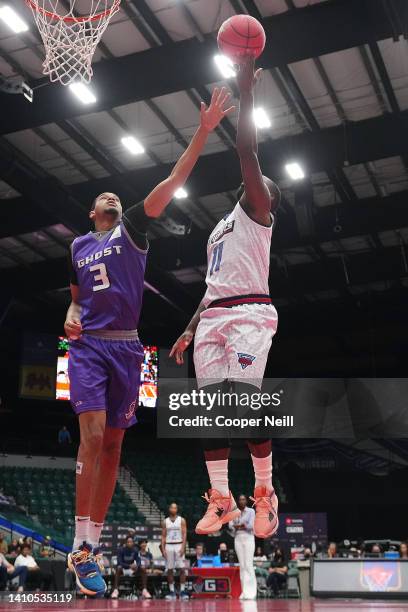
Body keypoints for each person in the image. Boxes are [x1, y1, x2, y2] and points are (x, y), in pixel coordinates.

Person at [64, 88, 234, 597]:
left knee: (115, 447)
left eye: (117, 196)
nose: (113, 198)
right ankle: (78, 544)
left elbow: (173, 180)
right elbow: (74, 300)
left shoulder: (133, 228)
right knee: (92, 438)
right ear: (92, 212)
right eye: (104, 197)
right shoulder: (76, 246)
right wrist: (72, 314)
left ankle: (89, 547)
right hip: (90, 346)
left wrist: (203, 130)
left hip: (128, 348)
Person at [170, 56, 280, 539]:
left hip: (250, 314)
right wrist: (191, 326)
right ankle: (221, 501)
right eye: (259, 187)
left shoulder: (258, 213)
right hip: (213, 317)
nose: (262, 189)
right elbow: (212, 285)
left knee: (241, 404)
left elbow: (248, 154)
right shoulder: (220, 228)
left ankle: (263, 493)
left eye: (265, 188)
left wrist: (247, 94)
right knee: (207, 413)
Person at [229, 494, 256, 600]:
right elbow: (230, 526)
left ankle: (252, 592)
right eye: (240, 499)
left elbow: (250, 526)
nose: (241, 501)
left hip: (248, 538)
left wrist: (239, 526)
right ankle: (244, 592)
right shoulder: (234, 512)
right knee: (242, 565)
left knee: (249, 564)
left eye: (243, 499)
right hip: (238, 538)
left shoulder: (251, 511)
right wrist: (242, 525)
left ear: (246, 501)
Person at [161, 502, 188, 600]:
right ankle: (172, 591)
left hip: (179, 544)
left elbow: (185, 534)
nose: (173, 509)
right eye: (171, 507)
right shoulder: (165, 521)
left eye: (175, 508)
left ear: (177, 509)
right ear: (169, 509)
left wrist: (183, 547)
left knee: (182, 569)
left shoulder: (182, 520)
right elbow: (163, 536)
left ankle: (182, 591)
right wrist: (163, 549)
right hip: (169, 546)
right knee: (170, 569)